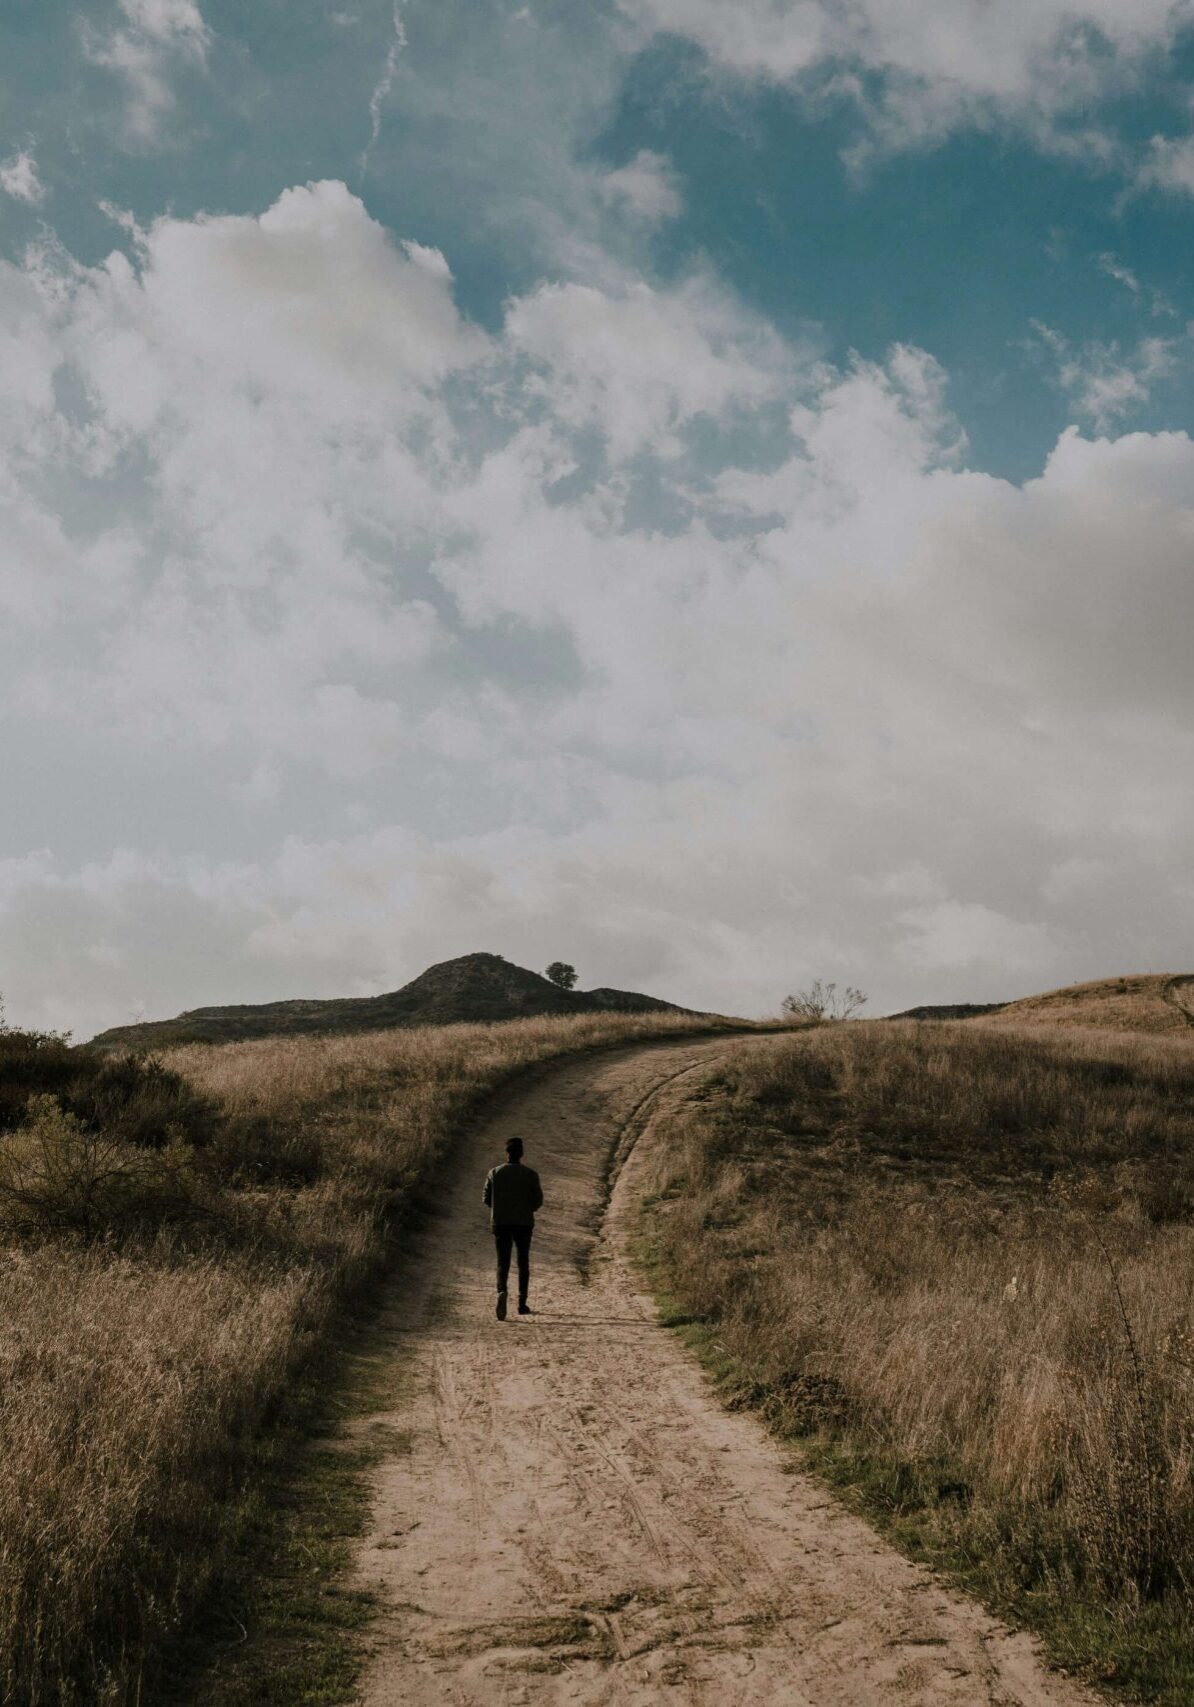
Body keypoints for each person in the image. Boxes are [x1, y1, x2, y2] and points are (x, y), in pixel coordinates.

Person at [482, 1135, 543, 1319]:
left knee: (503, 1262)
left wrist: (500, 1208)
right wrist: (526, 1209)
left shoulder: (494, 1173)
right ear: (521, 1153)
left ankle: (501, 1290)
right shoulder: (530, 1174)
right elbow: (538, 1201)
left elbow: (486, 1198)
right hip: (524, 1223)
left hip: (501, 1222)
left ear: (506, 1153)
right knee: (523, 1262)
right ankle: (522, 1304)